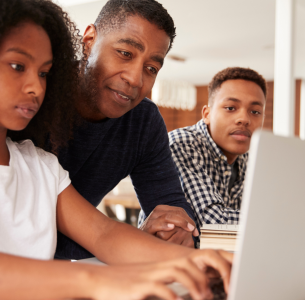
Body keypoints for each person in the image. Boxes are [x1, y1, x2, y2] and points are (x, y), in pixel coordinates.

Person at [0, 0, 233, 299]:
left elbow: (105, 234)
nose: (35, 86)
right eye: (18, 66)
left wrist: (200, 262)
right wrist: (97, 281)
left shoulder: (40, 165)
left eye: (45, 73)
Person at [51, 0, 199, 260]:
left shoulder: (143, 122)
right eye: (125, 53)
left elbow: (170, 205)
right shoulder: (36, 97)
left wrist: (175, 229)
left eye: (151, 68)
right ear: (89, 41)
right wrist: (133, 240)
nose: (136, 79)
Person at [169, 67, 266, 229]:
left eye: (255, 111)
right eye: (230, 108)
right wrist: (280, 221)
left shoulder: (248, 157)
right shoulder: (183, 144)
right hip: (172, 254)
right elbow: (211, 223)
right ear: (207, 114)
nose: (244, 119)